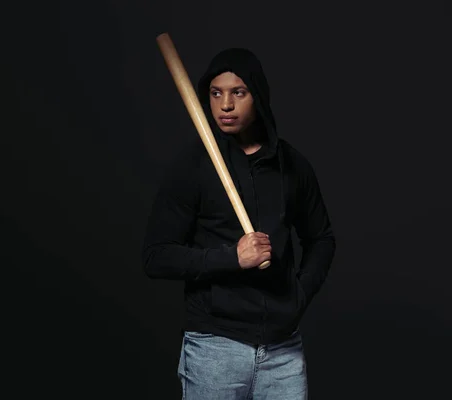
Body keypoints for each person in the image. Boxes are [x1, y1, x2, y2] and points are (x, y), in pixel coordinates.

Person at [141, 47, 336, 399]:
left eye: (238, 93)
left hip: (283, 351)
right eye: (216, 94)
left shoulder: (292, 166)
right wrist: (233, 257)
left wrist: (299, 295)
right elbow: (156, 256)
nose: (225, 105)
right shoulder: (192, 167)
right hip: (215, 347)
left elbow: (321, 238)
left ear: (257, 96)